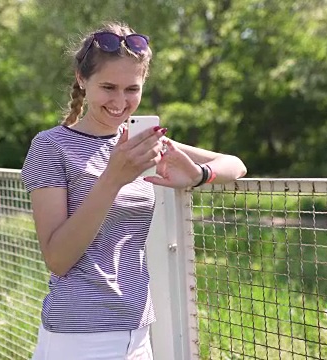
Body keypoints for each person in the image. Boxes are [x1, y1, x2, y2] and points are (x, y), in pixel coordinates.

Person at [20, 21, 247, 360]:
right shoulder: (51, 146)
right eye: (108, 87)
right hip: (77, 337)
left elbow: (236, 164)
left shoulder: (142, 144)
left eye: (132, 89)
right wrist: (112, 179)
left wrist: (198, 174)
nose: (120, 102)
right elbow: (57, 258)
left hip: (138, 332)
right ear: (82, 80)